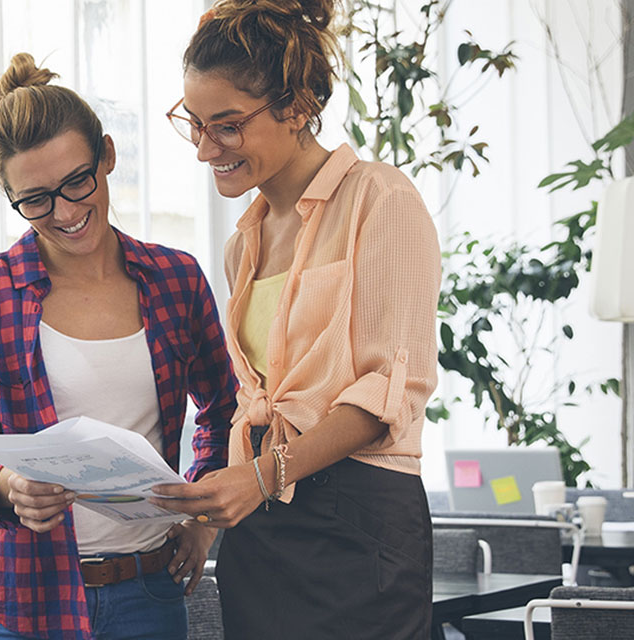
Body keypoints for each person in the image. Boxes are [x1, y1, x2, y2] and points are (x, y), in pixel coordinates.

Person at [150, 1, 441, 638]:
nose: (205, 149)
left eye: (226, 126)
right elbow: (248, 402)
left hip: (358, 515)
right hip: (261, 527)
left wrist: (261, 476)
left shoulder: (380, 200)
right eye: (194, 125)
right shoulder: (242, 244)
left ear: (299, 106)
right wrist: (208, 515)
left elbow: (388, 394)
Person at [0, 52, 237, 640]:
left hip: (147, 593)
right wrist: (7, 486)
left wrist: (201, 516)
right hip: (19, 600)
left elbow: (226, 410)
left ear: (107, 155)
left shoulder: (175, 279)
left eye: (78, 181)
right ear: (12, 198)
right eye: (37, 200)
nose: (68, 212)